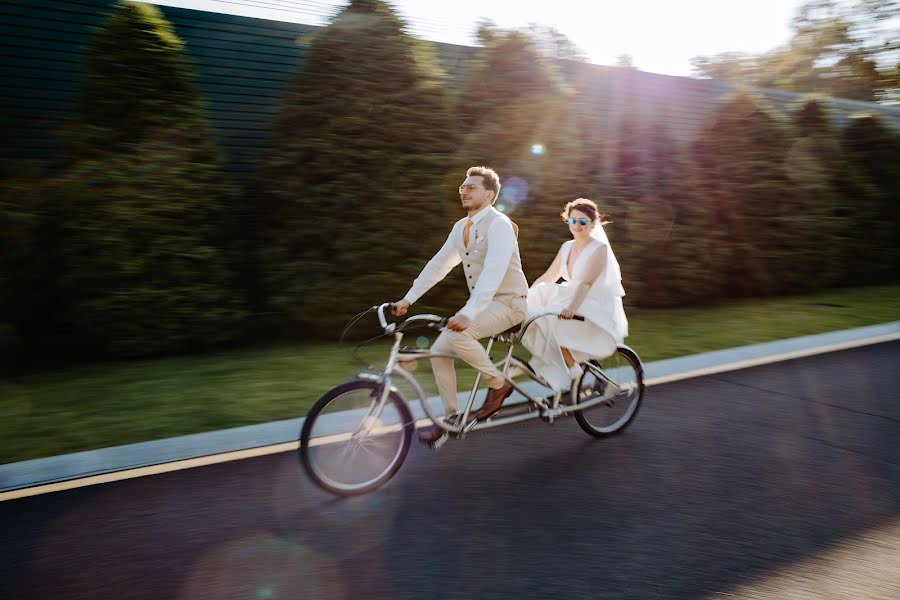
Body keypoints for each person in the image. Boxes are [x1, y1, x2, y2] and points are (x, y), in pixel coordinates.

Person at [391, 166, 529, 441]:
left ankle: (498, 384)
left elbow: (494, 271)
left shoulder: (498, 224)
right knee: (441, 350)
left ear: (489, 195)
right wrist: (408, 298)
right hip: (485, 304)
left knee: (461, 333)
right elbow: (439, 265)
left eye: (471, 187)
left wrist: (469, 312)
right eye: (462, 187)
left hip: (510, 303)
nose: (464, 191)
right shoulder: (461, 227)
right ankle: (451, 417)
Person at [521, 198, 628, 393]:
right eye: (572, 221)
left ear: (593, 223)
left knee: (550, 320)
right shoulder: (566, 247)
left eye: (583, 221)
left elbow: (586, 283)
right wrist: (525, 297)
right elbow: (549, 276)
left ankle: (574, 372)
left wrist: (571, 308)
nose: (577, 226)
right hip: (571, 295)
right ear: (567, 221)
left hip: (592, 301)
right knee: (538, 305)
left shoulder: (599, 249)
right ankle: (566, 372)